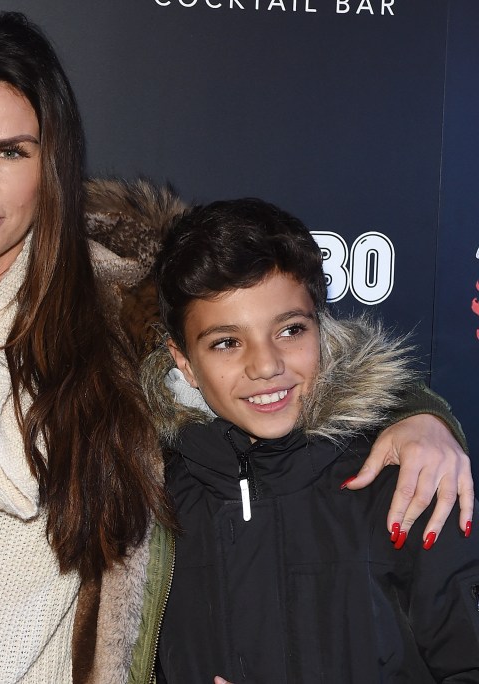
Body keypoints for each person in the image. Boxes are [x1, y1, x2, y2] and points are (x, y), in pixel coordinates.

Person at [0, 12, 471, 683]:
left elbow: (274, 345)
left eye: (13, 151)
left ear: (52, 161)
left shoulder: (127, 303)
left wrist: (417, 413)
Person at [144, 198, 479, 682]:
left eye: (289, 330)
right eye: (226, 342)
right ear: (184, 362)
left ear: (320, 328)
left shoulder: (407, 480)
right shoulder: (149, 498)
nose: (265, 365)